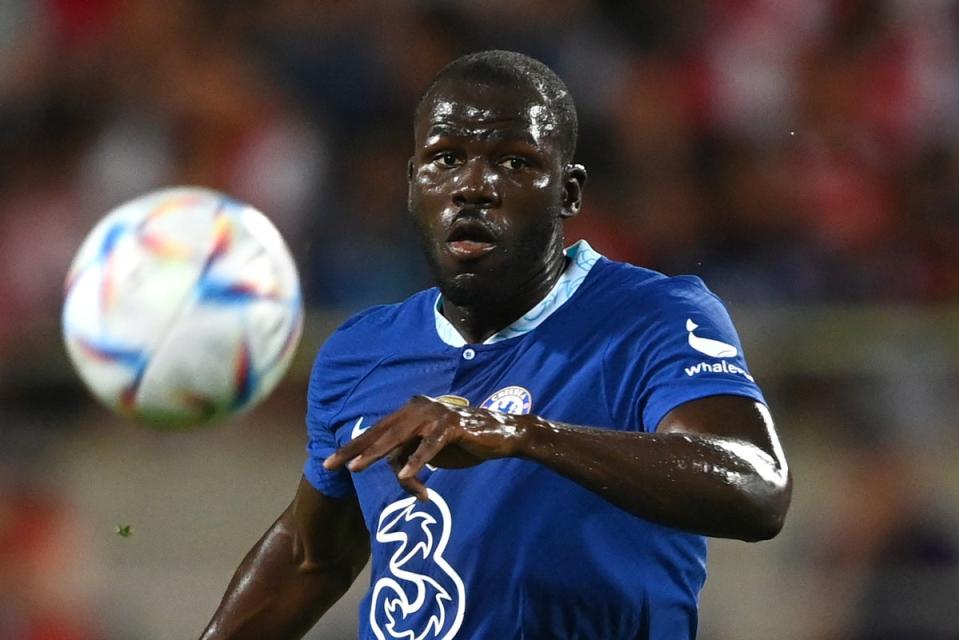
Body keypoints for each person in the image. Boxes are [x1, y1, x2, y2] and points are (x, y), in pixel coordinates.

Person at [199, 50, 791, 640]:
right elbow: (311, 557)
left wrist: (522, 435)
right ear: (412, 185)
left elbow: (758, 488)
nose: (472, 186)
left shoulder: (652, 318)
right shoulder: (362, 351)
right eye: (445, 160)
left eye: (513, 162)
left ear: (569, 192)